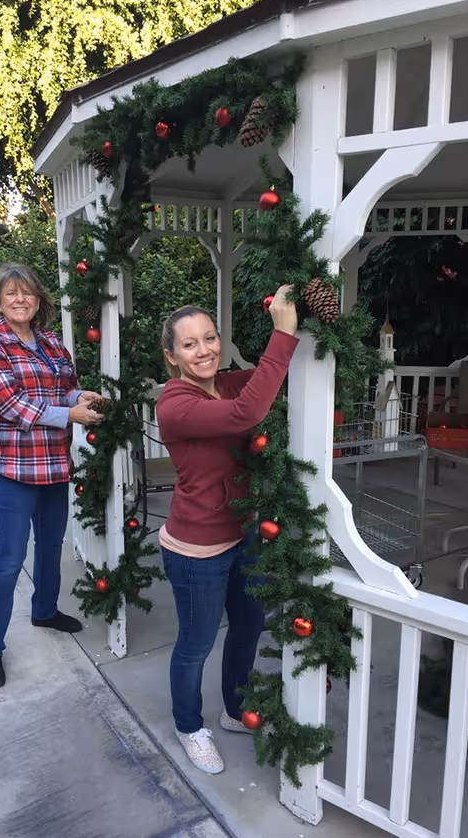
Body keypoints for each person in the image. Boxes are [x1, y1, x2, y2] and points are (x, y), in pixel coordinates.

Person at [156, 285, 298, 774]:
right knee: (196, 644)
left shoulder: (229, 383)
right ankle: (189, 726)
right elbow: (248, 413)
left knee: (250, 625)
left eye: (210, 338)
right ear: (171, 356)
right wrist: (283, 332)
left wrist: (293, 323)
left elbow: (266, 378)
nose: (204, 350)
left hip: (243, 536)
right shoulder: (175, 403)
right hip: (196, 550)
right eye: (190, 344)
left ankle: (235, 710)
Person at [0, 263, 104, 690]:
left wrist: (80, 396)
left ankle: (44, 610)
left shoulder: (50, 343)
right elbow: (12, 404)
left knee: (50, 547)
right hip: (9, 469)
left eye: (27, 292)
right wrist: (71, 413)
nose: (20, 299)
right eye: (11, 293)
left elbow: (62, 387)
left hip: (50, 465)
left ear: (38, 299)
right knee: (7, 560)